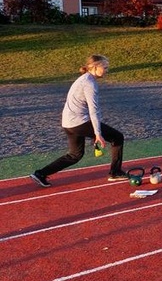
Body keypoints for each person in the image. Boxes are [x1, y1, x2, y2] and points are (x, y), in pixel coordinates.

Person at [29, 55, 127, 188]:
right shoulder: (90, 84)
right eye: (105, 67)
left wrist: (94, 132)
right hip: (79, 122)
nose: (107, 70)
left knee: (75, 155)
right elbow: (94, 110)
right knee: (117, 137)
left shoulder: (83, 79)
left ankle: (40, 174)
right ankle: (115, 172)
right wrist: (97, 134)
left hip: (68, 123)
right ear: (95, 67)